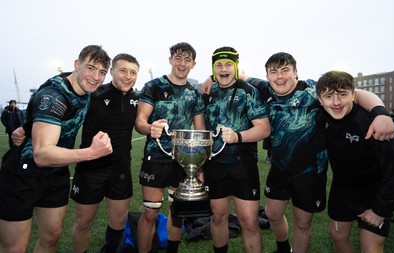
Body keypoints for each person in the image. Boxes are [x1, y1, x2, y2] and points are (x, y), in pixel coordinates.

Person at [202, 52, 394, 253]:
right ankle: (283, 248)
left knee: (302, 223)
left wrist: (380, 112)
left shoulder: (312, 89)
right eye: (273, 72)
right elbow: (237, 76)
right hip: (280, 167)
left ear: (296, 72)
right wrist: (211, 77)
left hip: (310, 172)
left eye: (285, 70)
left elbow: (358, 93)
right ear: (267, 76)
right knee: (272, 214)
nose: (279, 77)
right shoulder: (263, 88)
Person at [0, 45, 113, 253]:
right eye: (90, 68)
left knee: (52, 236)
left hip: (56, 172)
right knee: (15, 248)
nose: (96, 77)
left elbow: (35, 111)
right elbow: (42, 155)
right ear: (76, 65)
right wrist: (92, 153)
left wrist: (24, 128)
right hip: (22, 173)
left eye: (102, 72)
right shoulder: (54, 95)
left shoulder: (85, 89)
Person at [316, 70, 394, 253]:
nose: (336, 102)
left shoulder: (374, 124)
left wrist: (381, 211)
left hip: (373, 193)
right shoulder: (323, 116)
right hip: (342, 191)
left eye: (343, 94)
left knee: (371, 248)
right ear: (320, 99)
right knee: (337, 236)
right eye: (329, 96)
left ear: (354, 95)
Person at [135, 42, 205, 253]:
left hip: (183, 159)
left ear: (193, 63)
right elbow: (140, 121)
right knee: (150, 212)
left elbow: (200, 131)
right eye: (178, 58)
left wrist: (200, 166)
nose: (182, 64)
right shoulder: (154, 86)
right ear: (170, 60)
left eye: (187, 60)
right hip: (156, 156)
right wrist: (150, 128)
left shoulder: (195, 94)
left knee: (177, 213)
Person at [70, 53, 140, 253]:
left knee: (118, 221)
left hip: (120, 169)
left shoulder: (137, 99)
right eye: (123, 70)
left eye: (133, 72)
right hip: (90, 168)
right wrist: (26, 126)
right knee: (83, 222)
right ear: (112, 72)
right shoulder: (93, 94)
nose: (128, 76)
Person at [203, 46, 270, 253]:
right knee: (218, 217)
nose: (224, 69)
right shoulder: (206, 92)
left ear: (236, 66)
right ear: (213, 68)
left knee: (249, 221)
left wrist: (237, 136)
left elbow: (264, 128)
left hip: (243, 164)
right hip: (214, 165)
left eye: (228, 64)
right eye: (219, 65)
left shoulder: (248, 91)